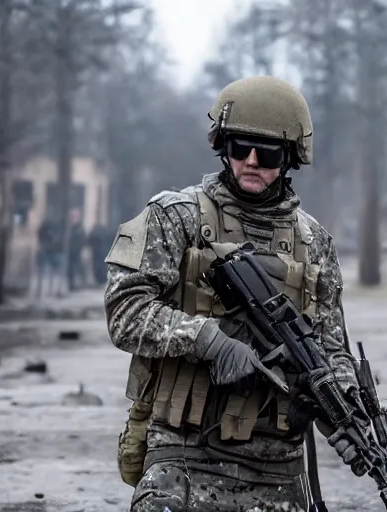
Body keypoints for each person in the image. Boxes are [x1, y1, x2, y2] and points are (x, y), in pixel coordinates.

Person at [104, 76, 365, 511]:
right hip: (185, 454)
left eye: (267, 153)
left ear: (290, 159)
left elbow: (331, 347)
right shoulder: (176, 217)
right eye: (239, 147)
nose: (250, 161)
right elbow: (125, 311)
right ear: (221, 145)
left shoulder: (315, 242)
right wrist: (209, 341)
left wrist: (341, 408)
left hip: (278, 467)